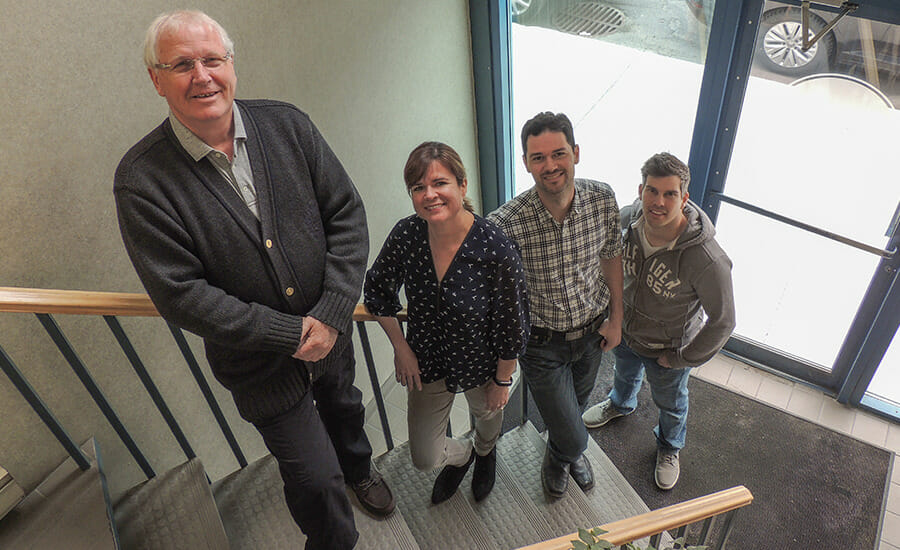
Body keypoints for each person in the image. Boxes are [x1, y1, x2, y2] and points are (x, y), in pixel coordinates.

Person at [113, 10, 394, 549]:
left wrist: (333, 314)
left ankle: (361, 469)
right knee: (315, 480)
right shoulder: (142, 181)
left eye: (212, 59)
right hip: (258, 365)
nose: (202, 76)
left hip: (332, 334)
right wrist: (290, 336)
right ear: (156, 79)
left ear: (231, 64)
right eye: (181, 65)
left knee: (346, 408)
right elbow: (181, 295)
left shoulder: (288, 125)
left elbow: (346, 215)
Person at [364, 142, 530, 504]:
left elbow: (512, 325)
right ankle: (465, 454)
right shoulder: (407, 235)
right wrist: (401, 348)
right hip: (427, 360)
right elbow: (377, 290)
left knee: (487, 421)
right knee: (424, 457)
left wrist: (503, 380)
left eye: (440, 183)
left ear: (462, 185)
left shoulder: (496, 249)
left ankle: (486, 453)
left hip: (483, 364)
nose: (430, 195)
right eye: (418, 188)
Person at [488, 112, 624, 498]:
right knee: (569, 425)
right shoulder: (507, 223)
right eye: (538, 158)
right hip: (541, 343)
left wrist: (617, 319)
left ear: (575, 153)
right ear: (527, 163)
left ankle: (561, 454)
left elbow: (612, 256)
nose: (550, 166)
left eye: (558, 153)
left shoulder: (602, 199)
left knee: (575, 410)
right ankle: (569, 449)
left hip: (593, 334)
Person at [582, 152, 735, 490]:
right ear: (640, 189)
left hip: (668, 349)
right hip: (626, 331)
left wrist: (682, 358)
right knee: (624, 374)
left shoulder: (707, 259)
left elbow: (723, 321)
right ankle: (621, 404)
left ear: (685, 197)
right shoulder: (630, 219)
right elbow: (602, 240)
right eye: (652, 191)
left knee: (671, 402)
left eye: (669, 194)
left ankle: (669, 446)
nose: (659, 202)